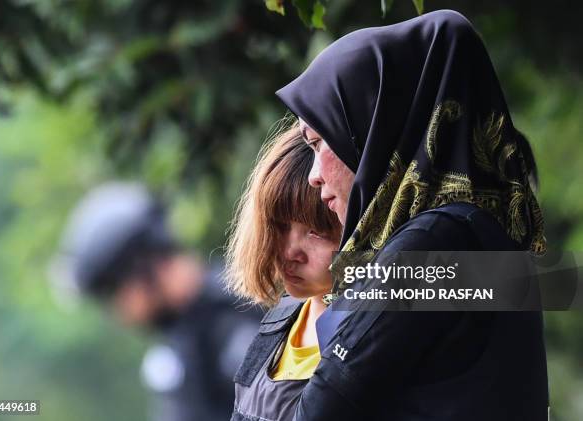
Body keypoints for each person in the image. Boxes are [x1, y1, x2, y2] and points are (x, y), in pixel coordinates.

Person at [275, 9, 548, 420]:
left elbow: (320, 410)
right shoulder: (483, 232)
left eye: (317, 143)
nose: (313, 176)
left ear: (373, 128)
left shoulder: (430, 248)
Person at [51, 182, 260, 421]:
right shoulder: (187, 337)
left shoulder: (236, 323)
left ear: (141, 271)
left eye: (111, 293)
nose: (117, 313)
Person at [224, 121, 342, 420]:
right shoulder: (277, 323)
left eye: (316, 232)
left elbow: (477, 280)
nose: (290, 253)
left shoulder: (386, 312)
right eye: (278, 226)